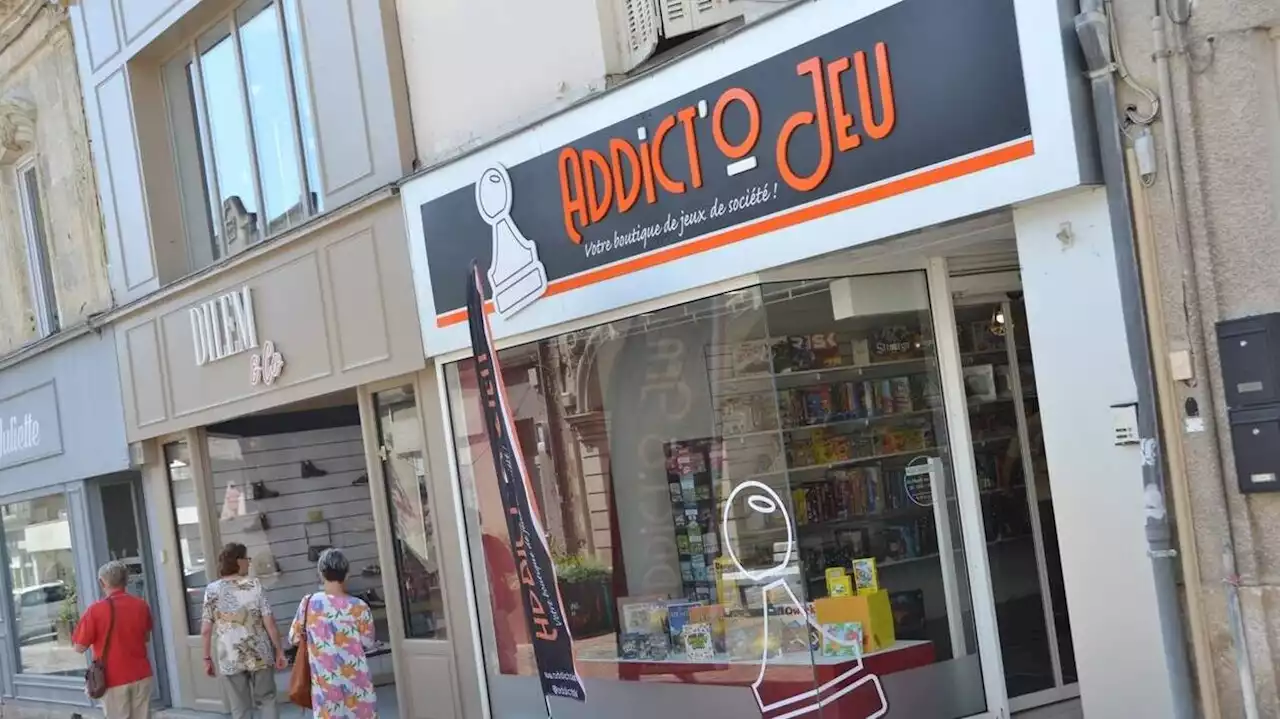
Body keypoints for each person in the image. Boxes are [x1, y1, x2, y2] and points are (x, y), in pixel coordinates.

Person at [201, 543, 288, 719]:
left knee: (239, 708)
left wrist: (206, 658)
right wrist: (279, 650)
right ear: (238, 561)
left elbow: (205, 630)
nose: (249, 563)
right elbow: (269, 621)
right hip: (259, 652)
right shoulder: (255, 585)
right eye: (247, 559)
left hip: (230, 654)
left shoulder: (212, 590)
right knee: (267, 699)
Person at [289, 548, 378, 717]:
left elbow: (294, 638)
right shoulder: (359, 607)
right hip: (357, 684)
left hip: (325, 685)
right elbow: (368, 642)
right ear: (347, 575)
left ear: (321, 574)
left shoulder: (308, 603)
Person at [73, 561, 154, 719]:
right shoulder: (141, 606)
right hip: (141, 674)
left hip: (113, 678)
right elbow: (146, 638)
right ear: (126, 580)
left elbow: (79, 647)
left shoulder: (95, 610)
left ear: (102, 582)